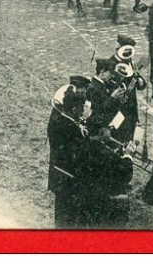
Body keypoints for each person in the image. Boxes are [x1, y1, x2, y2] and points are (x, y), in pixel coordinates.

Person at [47, 76, 93, 227]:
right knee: (65, 213)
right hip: (65, 172)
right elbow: (74, 143)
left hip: (66, 173)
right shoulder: (62, 122)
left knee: (68, 210)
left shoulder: (63, 118)